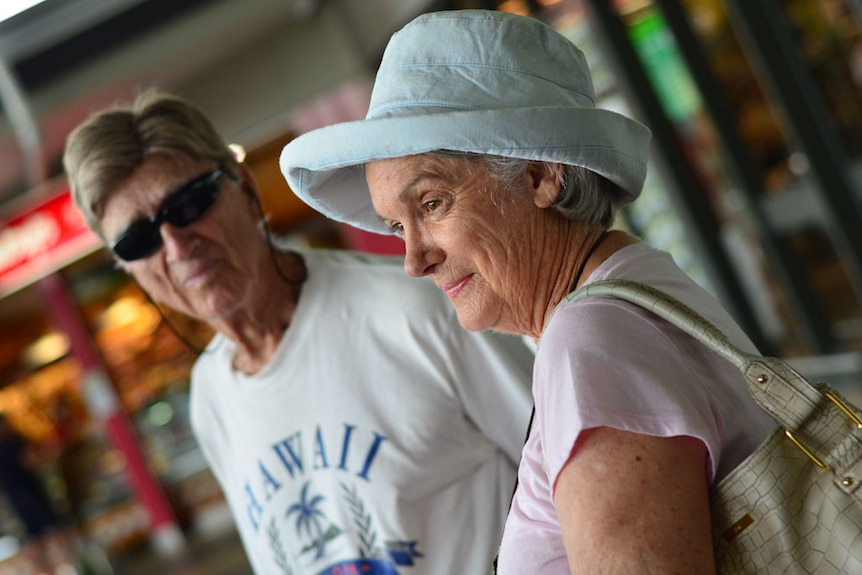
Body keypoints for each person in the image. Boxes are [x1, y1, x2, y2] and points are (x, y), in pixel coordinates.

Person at [279, 9, 776, 574]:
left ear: (542, 174)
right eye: (397, 226)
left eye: (432, 204)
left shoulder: (591, 341)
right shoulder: (631, 283)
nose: (415, 260)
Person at [62, 89, 535, 574]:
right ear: (129, 267)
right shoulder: (211, 397)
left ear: (244, 188)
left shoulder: (414, 312)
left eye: (187, 204)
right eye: (139, 239)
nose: (177, 247)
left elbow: (567, 474)